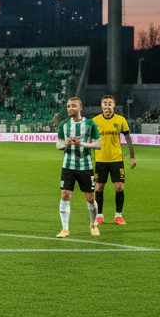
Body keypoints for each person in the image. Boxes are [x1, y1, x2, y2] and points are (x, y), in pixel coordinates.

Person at [55, 97, 101, 238]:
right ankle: (65, 228)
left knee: (90, 199)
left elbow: (98, 144)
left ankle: (93, 223)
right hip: (68, 165)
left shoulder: (89, 123)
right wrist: (66, 144)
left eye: (73, 106)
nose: (70, 109)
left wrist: (82, 144)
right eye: (68, 106)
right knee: (65, 195)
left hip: (85, 166)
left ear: (80, 107)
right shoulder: (63, 125)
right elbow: (58, 145)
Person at [92, 95, 137, 225]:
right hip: (101, 160)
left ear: (114, 105)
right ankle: (99, 215)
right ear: (101, 106)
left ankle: (118, 215)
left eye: (109, 103)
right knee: (99, 187)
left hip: (117, 160)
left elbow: (128, 138)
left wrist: (132, 157)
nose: (107, 106)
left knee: (119, 187)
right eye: (105, 103)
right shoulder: (95, 121)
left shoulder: (120, 120)